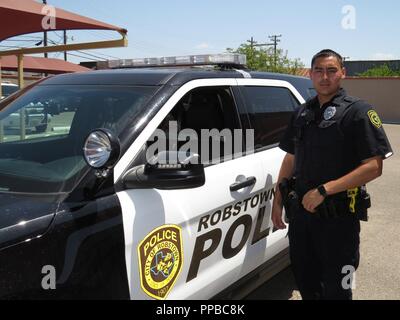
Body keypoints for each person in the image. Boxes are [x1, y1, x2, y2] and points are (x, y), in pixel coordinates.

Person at [271, 49, 393, 300]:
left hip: (338, 220)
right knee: (306, 281)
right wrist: (277, 199)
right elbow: (291, 157)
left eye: (331, 70)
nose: (324, 77)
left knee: (337, 288)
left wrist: (325, 190)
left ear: (343, 73)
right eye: (319, 70)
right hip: (302, 217)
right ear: (310, 74)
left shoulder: (358, 112)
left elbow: (374, 166)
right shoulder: (302, 112)